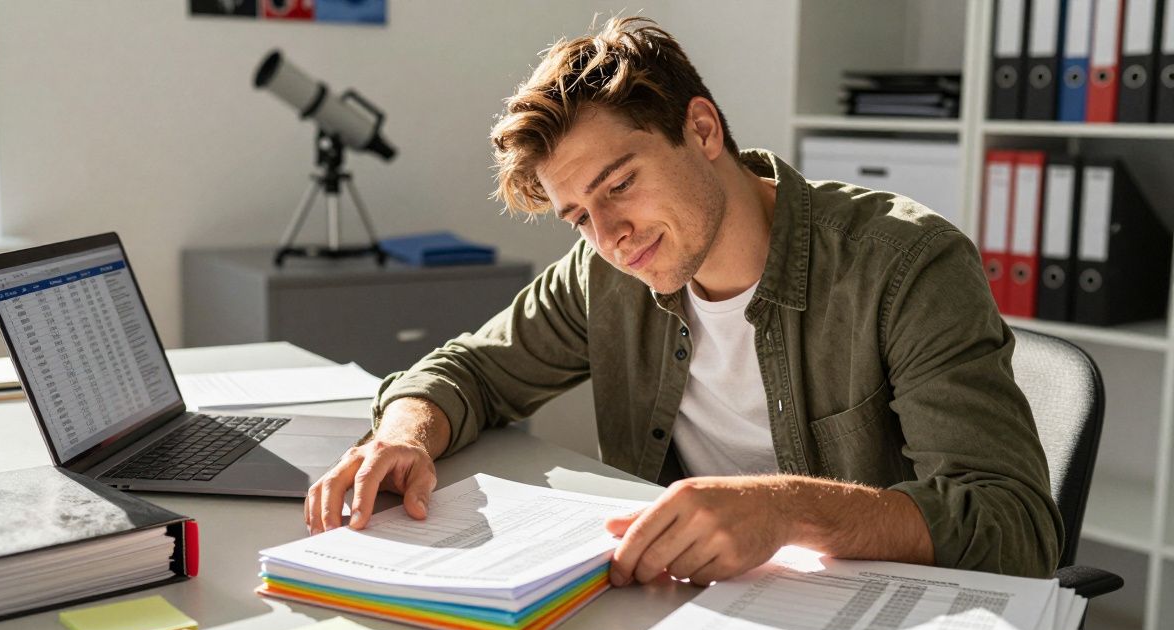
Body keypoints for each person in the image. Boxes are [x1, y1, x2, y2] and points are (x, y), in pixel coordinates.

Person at [305, 16, 1063, 586]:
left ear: (702, 129)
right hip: (690, 616)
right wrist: (403, 434)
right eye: (579, 216)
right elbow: (471, 369)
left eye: (620, 185)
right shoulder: (607, 271)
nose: (609, 236)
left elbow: (1017, 527)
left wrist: (785, 511)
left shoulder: (903, 265)